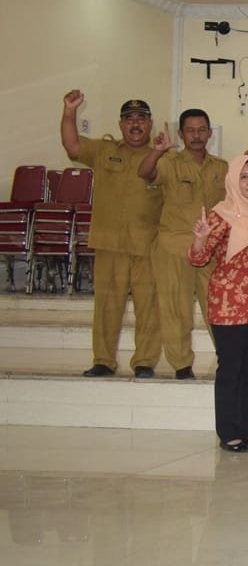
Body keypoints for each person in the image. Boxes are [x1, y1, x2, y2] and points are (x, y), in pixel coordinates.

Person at [60, 92, 163, 378]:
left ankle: (144, 362)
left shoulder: (163, 157)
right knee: (106, 306)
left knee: (149, 307)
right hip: (109, 243)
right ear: (120, 125)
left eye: (141, 119)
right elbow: (72, 145)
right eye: (129, 120)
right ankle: (103, 361)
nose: (135, 124)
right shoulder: (103, 150)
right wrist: (69, 112)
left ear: (150, 123)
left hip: (148, 244)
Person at [187, 155, 248, 452]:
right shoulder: (220, 215)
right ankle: (228, 430)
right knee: (231, 367)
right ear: (233, 181)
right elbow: (198, 259)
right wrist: (200, 239)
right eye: (244, 177)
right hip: (228, 303)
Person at [139, 108, 227, 379]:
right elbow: (145, 172)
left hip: (210, 249)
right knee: (175, 308)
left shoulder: (221, 167)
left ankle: (227, 359)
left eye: (201, 130)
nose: (196, 135)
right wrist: (156, 152)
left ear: (210, 133)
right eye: (190, 130)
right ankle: (181, 365)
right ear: (180, 134)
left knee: (218, 307)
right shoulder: (169, 163)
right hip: (174, 246)